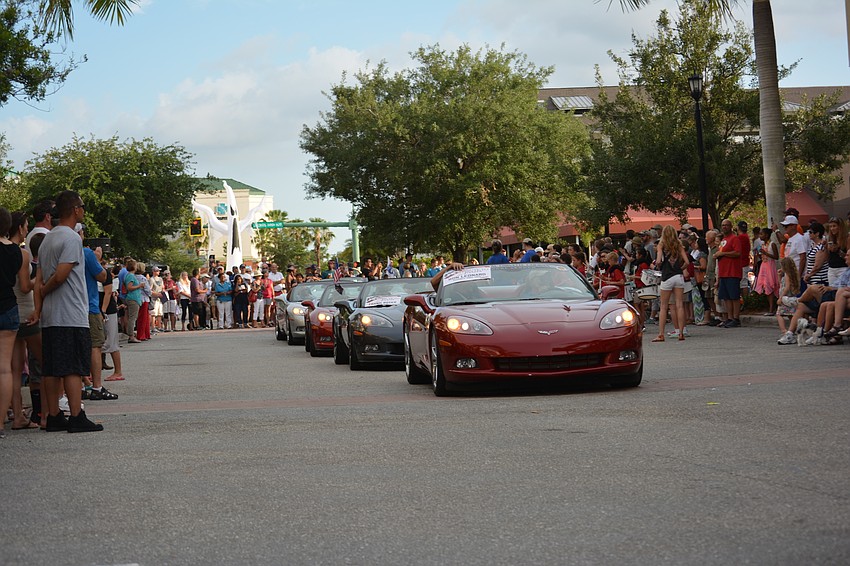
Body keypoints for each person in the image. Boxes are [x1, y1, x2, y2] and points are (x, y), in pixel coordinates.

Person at [34, 191, 103, 432]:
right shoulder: (72, 239)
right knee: (73, 366)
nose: (83, 210)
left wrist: (40, 301)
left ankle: (53, 415)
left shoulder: (48, 239)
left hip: (52, 315)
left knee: (52, 367)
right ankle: (76, 415)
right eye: (82, 207)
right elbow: (61, 275)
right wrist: (45, 290)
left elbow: (40, 275)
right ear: (75, 209)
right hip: (70, 312)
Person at [1, 208, 33, 437]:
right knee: (6, 370)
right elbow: (20, 284)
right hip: (9, 308)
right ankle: (2, 421)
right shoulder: (18, 253)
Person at [78, 224, 117, 401]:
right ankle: (96, 386)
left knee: (75, 348)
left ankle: (83, 383)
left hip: (70, 307)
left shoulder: (53, 245)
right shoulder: (86, 253)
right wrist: (98, 258)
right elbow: (102, 276)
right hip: (89, 305)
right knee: (95, 346)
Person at [651, 225, 690, 342]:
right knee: (679, 305)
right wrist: (680, 267)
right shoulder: (679, 245)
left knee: (663, 306)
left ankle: (661, 334)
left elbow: (658, 261)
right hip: (678, 276)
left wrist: (659, 266)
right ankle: (681, 333)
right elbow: (687, 262)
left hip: (667, 277)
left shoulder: (661, 245)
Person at [714, 219, 743, 328]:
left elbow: (737, 253)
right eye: (723, 225)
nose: (724, 227)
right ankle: (729, 318)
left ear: (731, 226)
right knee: (726, 297)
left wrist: (723, 253)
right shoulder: (723, 240)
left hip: (732, 272)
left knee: (734, 296)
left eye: (726, 225)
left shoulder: (734, 239)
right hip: (723, 272)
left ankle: (736, 318)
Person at [754, 227, 780, 316]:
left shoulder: (772, 244)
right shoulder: (762, 245)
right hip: (764, 266)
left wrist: (765, 253)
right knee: (765, 286)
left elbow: (776, 257)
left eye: (762, 234)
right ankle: (770, 307)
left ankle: (772, 309)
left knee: (770, 285)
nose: (760, 235)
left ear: (767, 235)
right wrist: (759, 254)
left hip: (770, 266)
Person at [825, 217, 849, 286]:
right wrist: (826, 248)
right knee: (832, 291)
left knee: (842, 289)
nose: (832, 228)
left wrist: (838, 251)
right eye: (830, 226)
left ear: (840, 227)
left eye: (834, 226)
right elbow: (827, 258)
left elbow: (848, 256)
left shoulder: (847, 239)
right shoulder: (830, 239)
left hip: (843, 268)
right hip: (831, 268)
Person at [124, 259, 142, 343]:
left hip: (133, 298)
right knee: (132, 318)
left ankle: (131, 334)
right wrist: (139, 286)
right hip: (133, 298)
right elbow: (129, 287)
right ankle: (131, 336)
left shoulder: (129, 275)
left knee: (132, 317)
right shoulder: (131, 276)